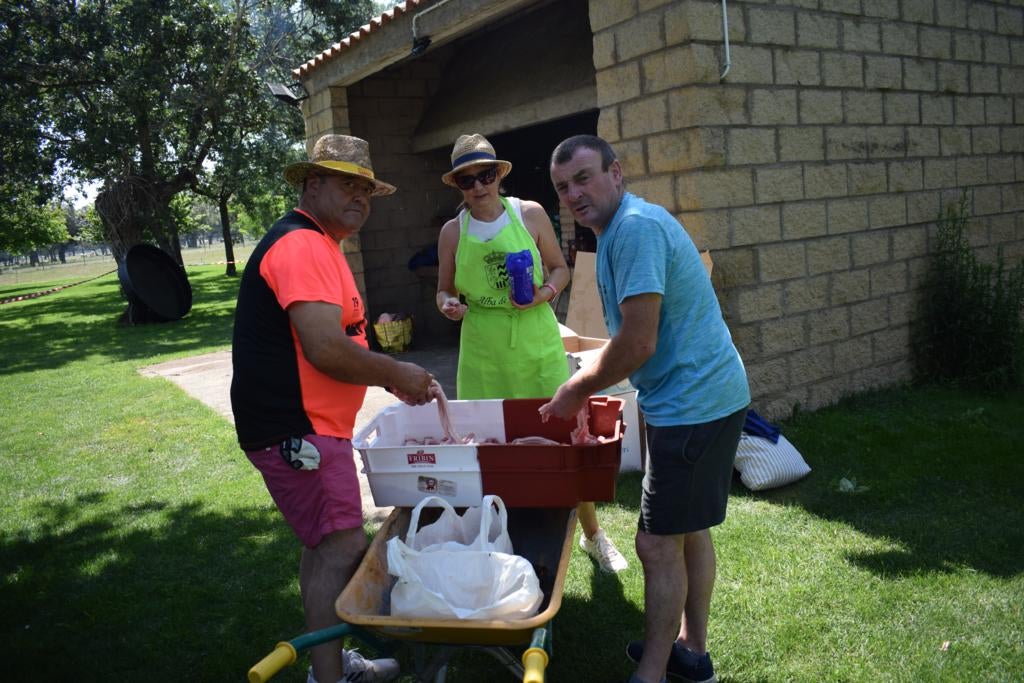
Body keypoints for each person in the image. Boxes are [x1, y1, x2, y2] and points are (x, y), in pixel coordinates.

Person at [544, 135, 751, 683]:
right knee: (687, 530)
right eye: (564, 187)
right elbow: (630, 341)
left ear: (617, 172)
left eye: (584, 178)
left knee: (656, 543)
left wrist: (576, 390)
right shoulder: (616, 232)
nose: (574, 194)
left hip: (695, 406)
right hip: (702, 399)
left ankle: (654, 673)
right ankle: (692, 651)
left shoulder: (634, 230)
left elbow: (638, 343)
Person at [231, 134, 434, 683]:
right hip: (298, 430)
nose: (360, 198)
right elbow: (323, 347)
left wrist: (389, 382)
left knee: (323, 544)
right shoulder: (302, 245)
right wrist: (396, 372)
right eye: (347, 184)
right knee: (343, 543)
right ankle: (330, 676)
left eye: (366, 190)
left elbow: (341, 342)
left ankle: (328, 662)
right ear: (311, 184)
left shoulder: (321, 244)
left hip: (306, 427)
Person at [435, 133, 628, 573]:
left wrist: (545, 292)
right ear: (458, 186)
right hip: (482, 348)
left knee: (564, 437)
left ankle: (594, 535)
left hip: (536, 341)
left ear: (498, 175)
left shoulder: (530, 214)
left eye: (486, 175)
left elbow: (561, 267)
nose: (479, 186)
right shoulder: (452, 233)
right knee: (486, 445)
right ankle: (502, 537)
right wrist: (447, 305)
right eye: (468, 180)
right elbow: (443, 289)